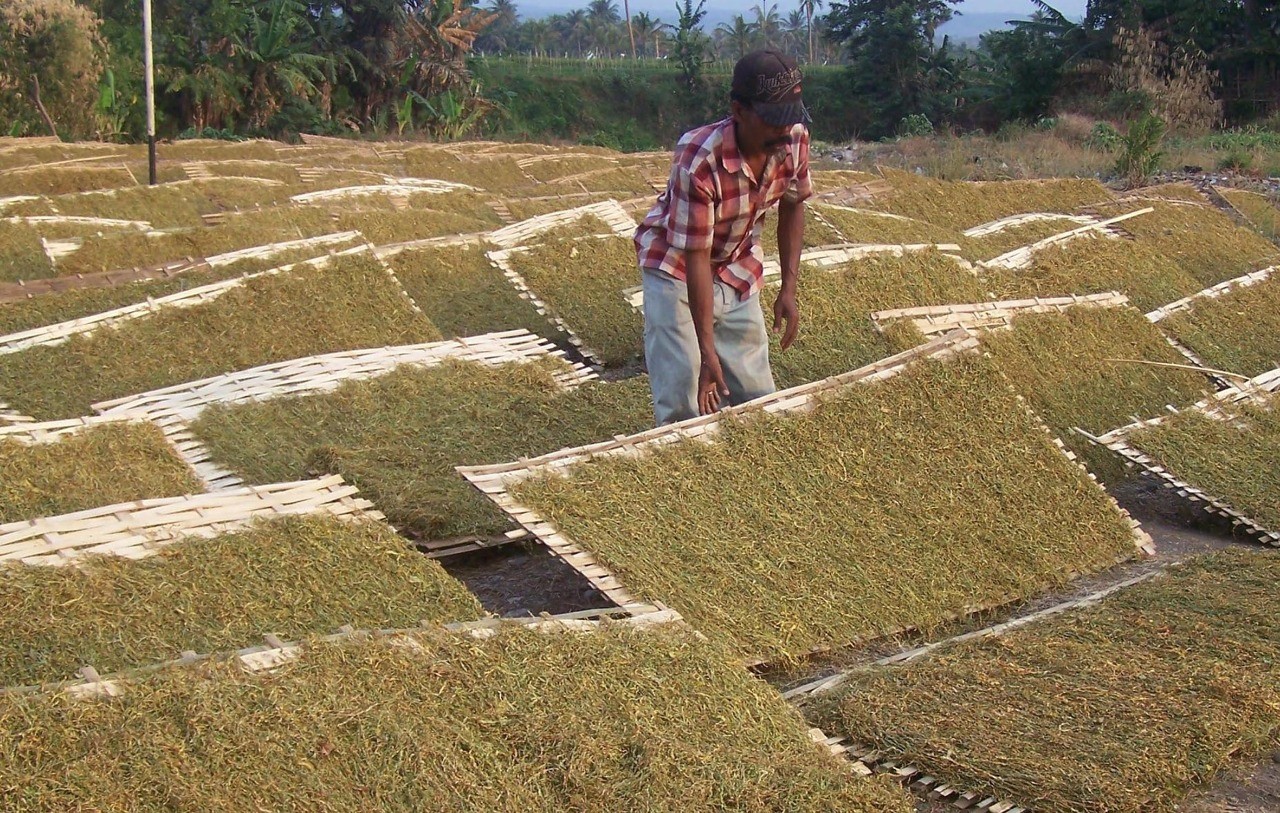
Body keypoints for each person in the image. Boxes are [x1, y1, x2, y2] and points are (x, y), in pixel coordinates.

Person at [634, 48, 813, 426]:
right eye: (773, 121)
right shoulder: (699, 159)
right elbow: (695, 257)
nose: (783, 131)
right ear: (739, 111)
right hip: (677, 266)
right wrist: (706, 350)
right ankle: (681, 456)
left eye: (789, 120)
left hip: (736, 263)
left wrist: (788, 290)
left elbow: (793, 205)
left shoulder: (793, 139)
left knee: (757, 395)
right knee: (684, 394)